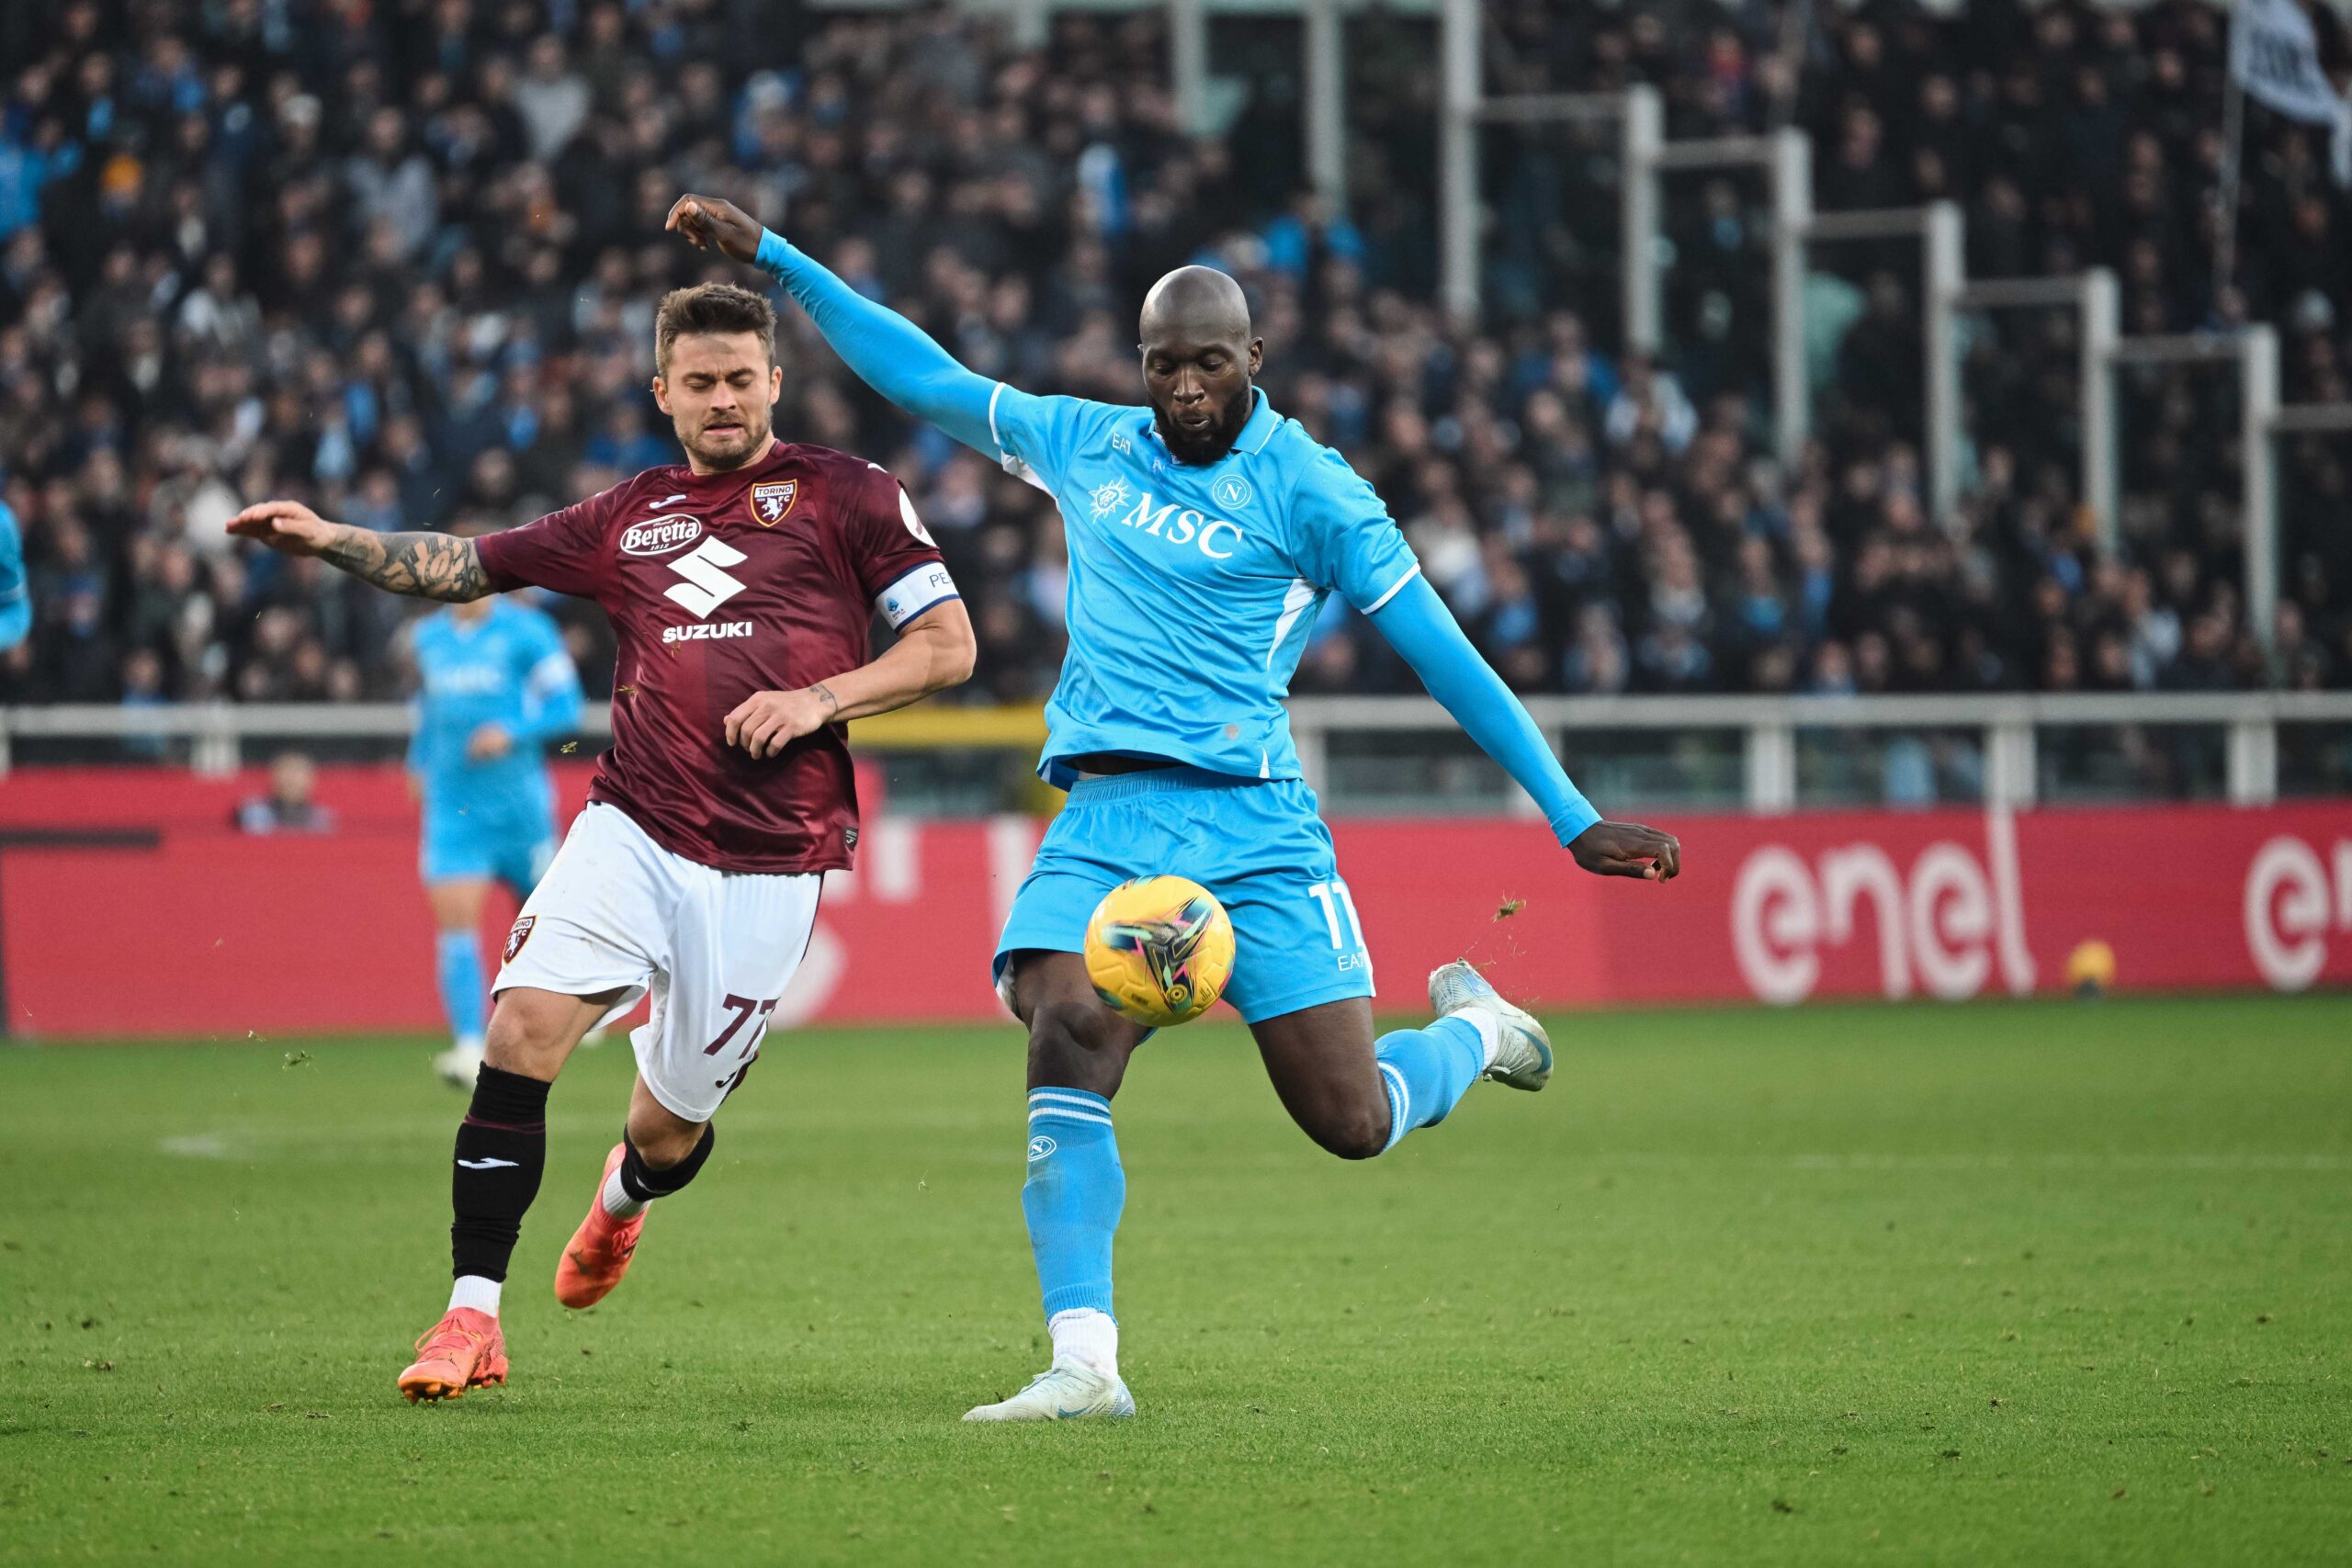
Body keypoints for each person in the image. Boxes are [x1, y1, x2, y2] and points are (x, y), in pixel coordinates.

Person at [668, 195, 1681, 1421]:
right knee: (1065, 1024)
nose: (1186, 388)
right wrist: (778, 259)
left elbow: (1445, 656)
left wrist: (1570, 815)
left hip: (1255, 827)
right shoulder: (1086, 442)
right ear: (1139, 364)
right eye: (1163, 366)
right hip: (1110, 816)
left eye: (1209, 363)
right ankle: (1085, 1362)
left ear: (1254, 355)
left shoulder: (1316, 493)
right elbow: (925, 378)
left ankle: (1475, 1032)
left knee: (1352, 1120)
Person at [227, 280, 976, 1404]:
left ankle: (622, 1201)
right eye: (699, 382)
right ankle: (471, 1316)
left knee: (668, 1132)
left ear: (775, 381)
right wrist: (333, 539)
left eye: (740, 379)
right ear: (662, 392)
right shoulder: (626, 517)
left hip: (771, 859)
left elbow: (947, 647)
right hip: (633, 824)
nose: (722, 400)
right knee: (522, 1025)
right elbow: (469, 563)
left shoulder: (851, 495)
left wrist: (819, 700)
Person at [404, 564, 584, 1088]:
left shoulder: (529, 631)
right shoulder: (428, 637)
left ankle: (573, 1016)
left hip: (519, 808)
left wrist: (512, 730)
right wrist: (416, 761)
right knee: (456, 924)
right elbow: (428, 710)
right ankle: (467, 1045)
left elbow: (567, 707)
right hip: (453, 809)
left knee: (549, 925)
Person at [233, 750, 336, 833]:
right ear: (273, 777)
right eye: (286, 772)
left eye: (298, 773)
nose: (291, 779)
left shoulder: (322, 819)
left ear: (311, 780)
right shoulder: (252, 813)